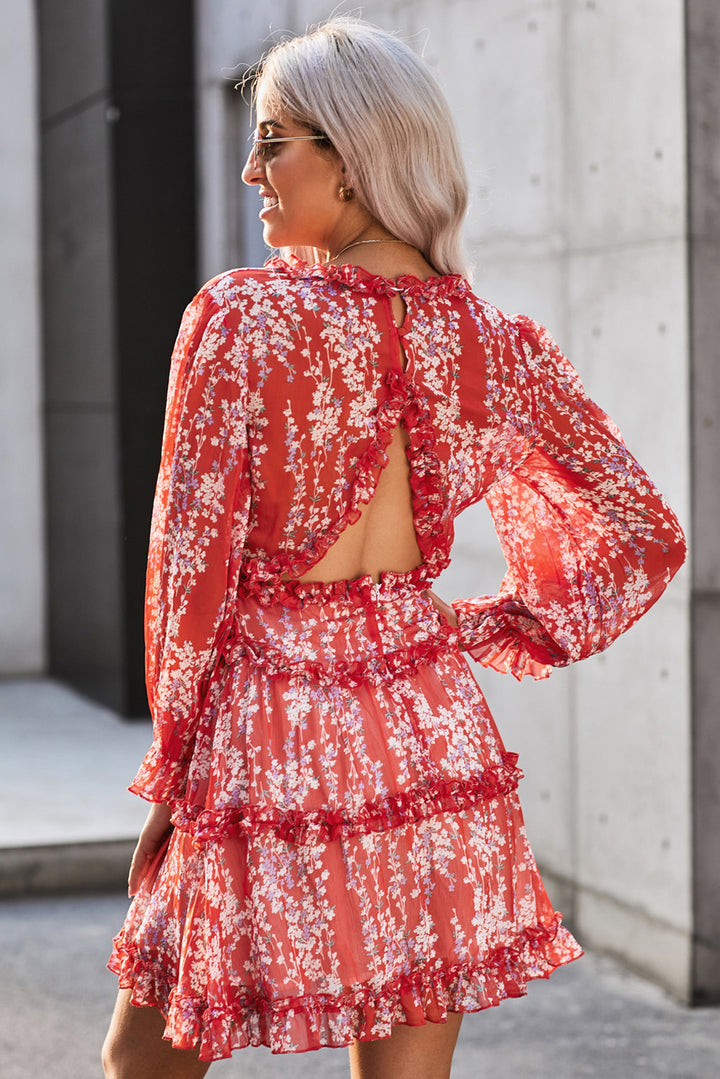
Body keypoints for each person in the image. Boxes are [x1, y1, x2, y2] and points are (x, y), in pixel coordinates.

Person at [102, 17, 686, 1079]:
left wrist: (174, 772)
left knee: (142, 1066)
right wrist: (483, 625)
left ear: (356, 157)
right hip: (430, 733)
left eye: (275, 139)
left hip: (264, 733)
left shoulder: (242, 319)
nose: (251, 169)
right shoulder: (494, 346)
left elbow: (187, 579)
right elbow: (644, 534)